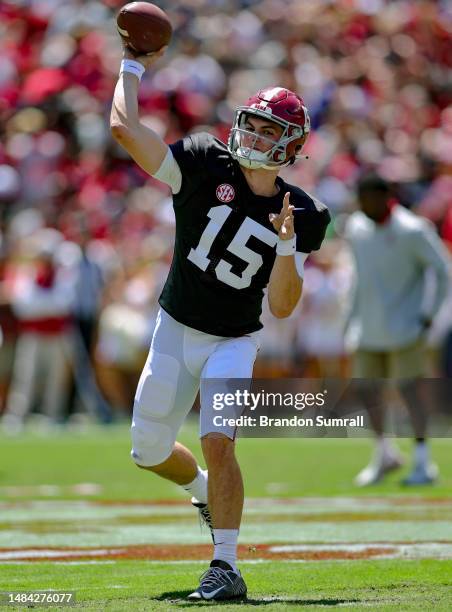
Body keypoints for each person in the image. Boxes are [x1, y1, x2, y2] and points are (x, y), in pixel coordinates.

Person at [110, 44, 330, 601]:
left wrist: (284, 249)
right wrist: (131, 66)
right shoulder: (205, 161)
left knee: (217, 439)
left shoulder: (304, 213)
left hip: (233, 340)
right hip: (174, 327)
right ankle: (206, 492)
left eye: (267, 131)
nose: (253, 138)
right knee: (148, 451)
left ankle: (226, 565)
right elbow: (124, 130)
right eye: (250, 125)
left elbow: (281, 307)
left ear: (292, 147)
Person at [345, 174, 450, 487]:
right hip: (367, 327)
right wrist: (350, 319)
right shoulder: (356, 227)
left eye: (370, 199)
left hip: (406, 327)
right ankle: (384, 454)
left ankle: (422, 461)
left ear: (386, 197)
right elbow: (359, 278)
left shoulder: (412, 229)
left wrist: (429, 314)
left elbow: (442, 270)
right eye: (361, 199)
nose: (365, 206)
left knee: (410, 392)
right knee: (366, 389)